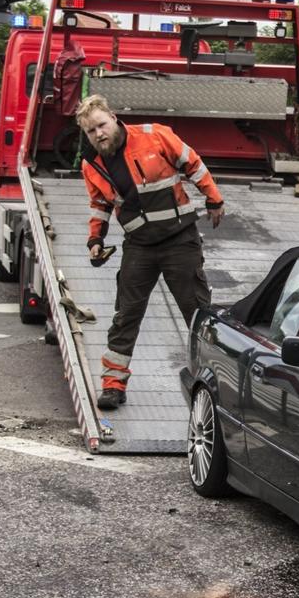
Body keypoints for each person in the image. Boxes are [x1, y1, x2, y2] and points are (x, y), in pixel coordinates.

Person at [77, 95, 226, 410]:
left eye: (101, 125)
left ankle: (218, 383)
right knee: (126, 316)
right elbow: (100, 205)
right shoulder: (91, 165)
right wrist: (95, 239)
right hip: (139, 245)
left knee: (197, 313)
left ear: (114, 119)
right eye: (91, 131)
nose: (99, 134)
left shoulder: (154, 135)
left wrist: (213, 198)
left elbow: (194, 165)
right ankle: (113, 385)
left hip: (179, 240)